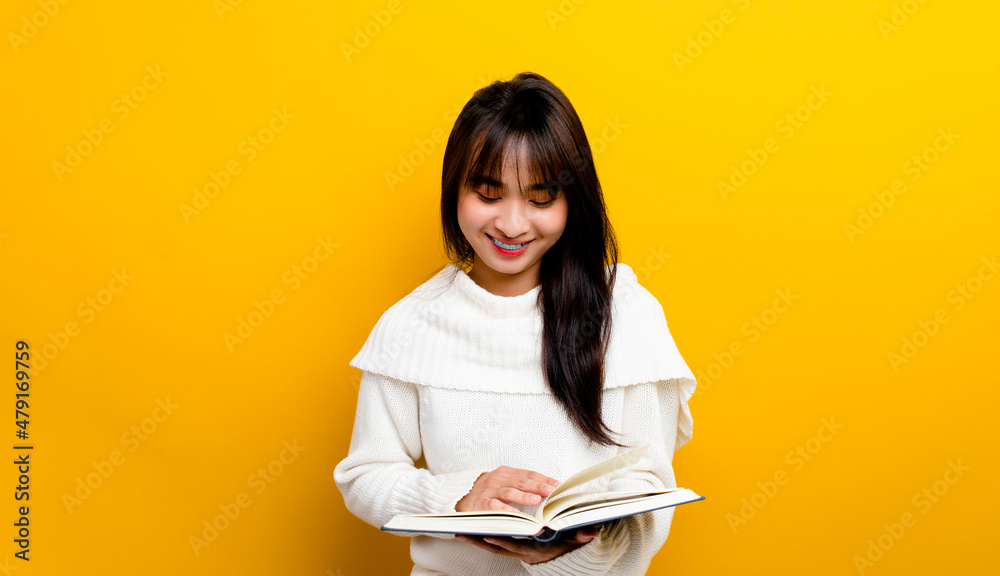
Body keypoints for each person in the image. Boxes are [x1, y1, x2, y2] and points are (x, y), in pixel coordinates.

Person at [334, 71, 697, 575]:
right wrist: (460, 497)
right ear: (453, 190)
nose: (511, 223)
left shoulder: (626, 315)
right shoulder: (412, 324)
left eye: (541, 198)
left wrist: (572, 551)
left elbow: (646, 488)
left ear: (573, 199)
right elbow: (365, 476)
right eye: (487, 193)